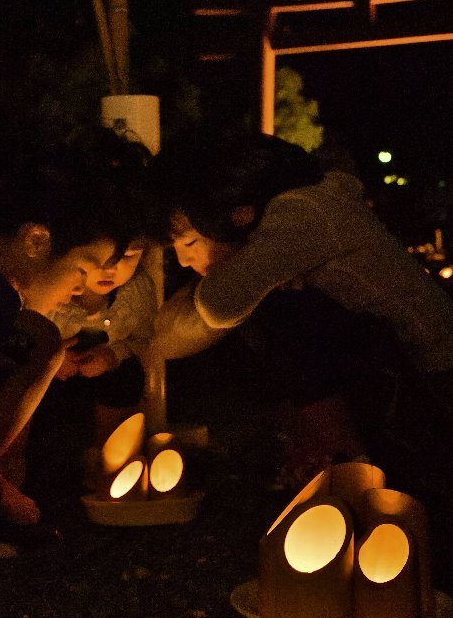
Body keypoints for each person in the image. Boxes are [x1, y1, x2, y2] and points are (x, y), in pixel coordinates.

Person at [147, 130, 453, 490]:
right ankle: (318, 452)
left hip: (432, 379)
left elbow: (216, 306)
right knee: (255, 324)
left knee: (280, 314)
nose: (184, 260)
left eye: (190, 242)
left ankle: (349, 469)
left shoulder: (304, 212)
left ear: (237, 212)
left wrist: (246, 280)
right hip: (401, 372)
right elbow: (173, 332)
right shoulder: (305, 206)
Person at [0, 155, 129, 547]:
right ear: (36, 241)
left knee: (41, 336)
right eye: (82, 270)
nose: (81, 290)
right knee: (43, 340)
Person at [47, 232, 156, 449]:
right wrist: (52, 358)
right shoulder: (51, 285)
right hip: (50, 373)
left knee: (127, 378)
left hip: (107, 373)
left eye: (127, 256)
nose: (110, 268)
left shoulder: (137, 290)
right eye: (100, 256)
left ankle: (111, 457)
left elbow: (142, 338)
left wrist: (113, 356)